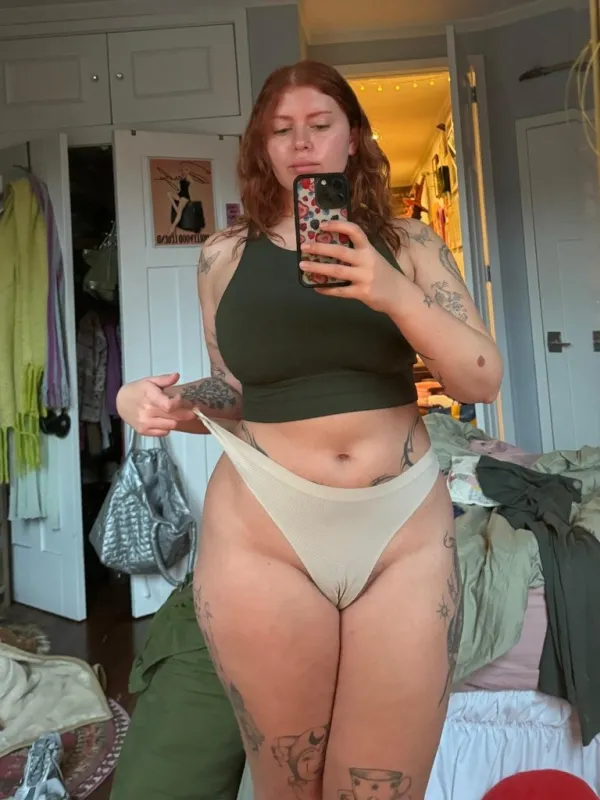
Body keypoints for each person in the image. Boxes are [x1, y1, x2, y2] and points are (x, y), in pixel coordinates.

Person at [116, 60, 503, 800]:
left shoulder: (410, 243)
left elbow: (479, 379)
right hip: (264, 531)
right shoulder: (223, 256)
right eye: (281, 130)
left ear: (352, 138)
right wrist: (164, 401)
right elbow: (234, 391)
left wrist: (391, 292)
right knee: (286, 786)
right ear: (262, 147)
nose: (301, 143)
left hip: (401, 534)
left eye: (320, 125)